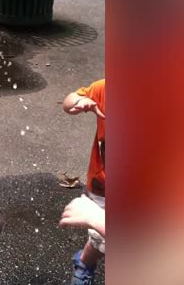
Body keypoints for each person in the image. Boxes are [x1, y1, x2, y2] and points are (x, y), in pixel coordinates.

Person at [61, 79, 105, 285]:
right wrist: (79, 101)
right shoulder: (106, 89)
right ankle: (85, 262)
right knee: (100, 238)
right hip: (103, 186)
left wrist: (96, 219)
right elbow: (68, 102)